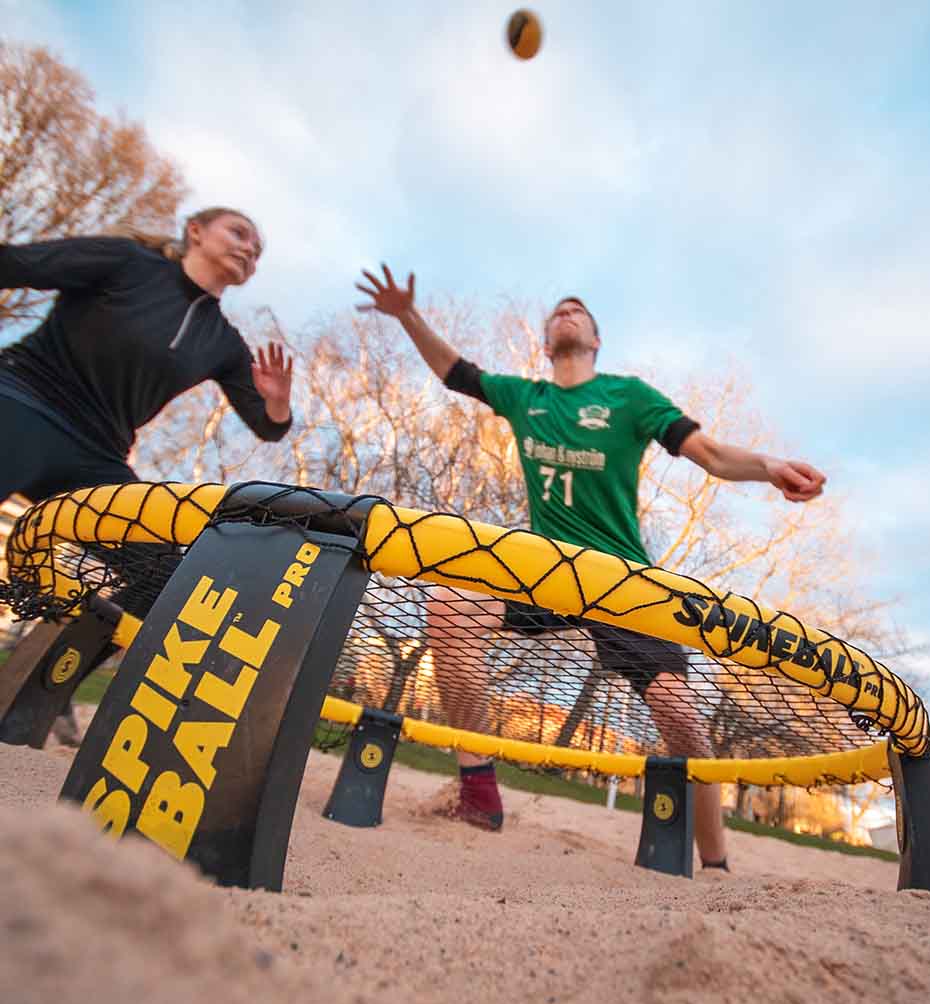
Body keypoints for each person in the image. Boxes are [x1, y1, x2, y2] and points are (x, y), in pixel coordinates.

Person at [357, 266, 826, 870]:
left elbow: (708, 454)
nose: (568, 312)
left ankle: (715, 864)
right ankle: (479, 791)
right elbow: (456, 374)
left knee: (682, 718)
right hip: (544, 570)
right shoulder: (527, 398)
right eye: (559, 311)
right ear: (546, 343)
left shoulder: (628, 397)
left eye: (580, 310)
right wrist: (407, 316)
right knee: (449, 608)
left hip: (623, 582)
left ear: (597, 341)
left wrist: (769, 467)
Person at [0, 206, 293, 506]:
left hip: (96, 452)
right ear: (196, 231)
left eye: (256, 251)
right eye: (238, 233)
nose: (248, 249)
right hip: (24, 400)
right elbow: (13, 264)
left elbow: (268, 425)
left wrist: (278, 400)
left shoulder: (225, 343)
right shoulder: (127, 260)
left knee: (162, 551)